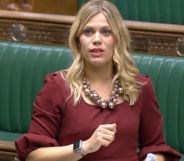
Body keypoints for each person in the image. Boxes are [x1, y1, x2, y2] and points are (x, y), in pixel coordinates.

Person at [15, 0, 181, 161]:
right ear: (78, 41)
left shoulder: (139, 87)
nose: (96, 39)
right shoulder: (57, 86)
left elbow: (155, 148)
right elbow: (34, 155)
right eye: (88, 31)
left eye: (106, 32)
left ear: (117, 39)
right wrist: (85, 147)